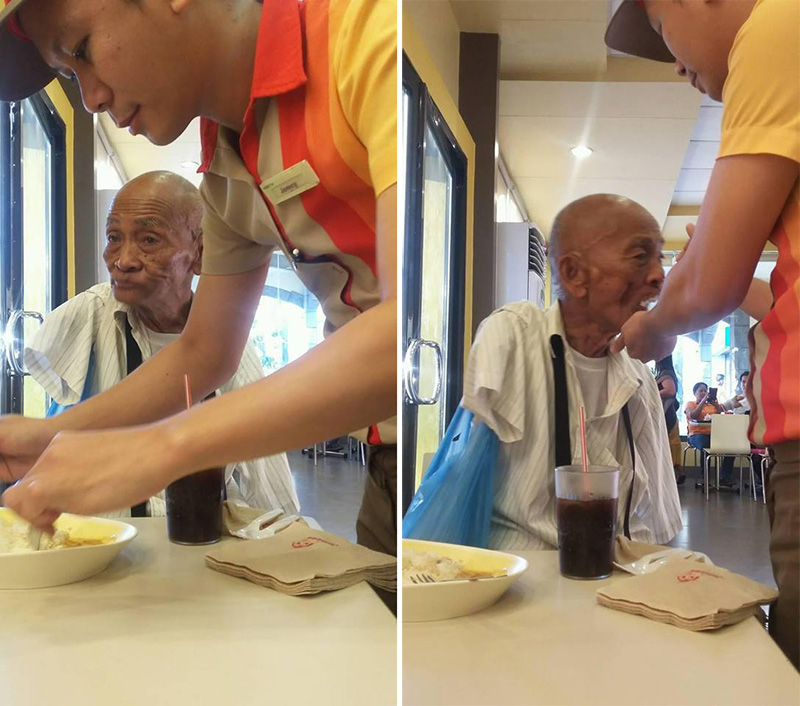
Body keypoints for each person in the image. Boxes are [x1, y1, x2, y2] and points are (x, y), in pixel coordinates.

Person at [0, 0, 397, 572]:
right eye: (68, 74)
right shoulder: (228, 157)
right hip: (378, 459)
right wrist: (52, 436)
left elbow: (412, 325)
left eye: (81, 50)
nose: (90, 98)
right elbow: (205, 351)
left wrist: (159, 450)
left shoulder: (366, 35)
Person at [606, 0, 799, 667]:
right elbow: (759, 293)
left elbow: (703, 287)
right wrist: (721, 284)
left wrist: (655, 328)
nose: (674, 64)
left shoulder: (778, 27)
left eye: (661, 31)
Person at [24, 171, 300, 518]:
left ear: (200, 254)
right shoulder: (89, 315)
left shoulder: (232, 352)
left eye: (149, 240)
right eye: (113, 237)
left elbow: (271, 489)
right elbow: (57, 423)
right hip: (95, 539)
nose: (122, 261)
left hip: (191, 539)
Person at [462, 194, 682, 551]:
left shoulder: (639, 378)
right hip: (512, 577)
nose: (659, 276)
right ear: (573, 273)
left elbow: (654, 521)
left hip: (612, 576)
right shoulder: (514, 334)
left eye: (659, 258)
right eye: (640, 256)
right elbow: (467, 470)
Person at [684, 381, 736, 489]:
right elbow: (693, 415)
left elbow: (719, 415)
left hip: (713, 434)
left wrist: (716, 404)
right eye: (701, 390)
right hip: (696, 434)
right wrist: (702, 402)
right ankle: (705, 477)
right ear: (695, 393)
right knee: (705, 445)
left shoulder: (711, 406)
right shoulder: (691, 404)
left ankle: (725, 476)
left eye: (705, 390)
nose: (703, 392)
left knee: (732, 446)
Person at [654, 356, 683, 485]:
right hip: (667, 412)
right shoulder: (665, 373)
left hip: (667, 413)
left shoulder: (665, 374)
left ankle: (671, 476)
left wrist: (652, 393)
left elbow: (670, 390)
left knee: (668, 443)